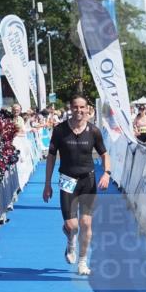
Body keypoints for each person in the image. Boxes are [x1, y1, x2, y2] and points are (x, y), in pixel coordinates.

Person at [42, 95, 111, 276]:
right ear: (70, 108)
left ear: (87, 109)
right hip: (67, 180)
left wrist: (106, 173)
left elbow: (104, 154)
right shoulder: (59, 130)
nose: (79, 111)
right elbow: (50, 158)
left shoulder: (94, 131)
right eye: (75, 107)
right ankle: (70, 240)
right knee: (72, 226)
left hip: (87, 181)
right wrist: (47, 184)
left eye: (82, 107)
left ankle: (82, 261)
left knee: (86, 223)